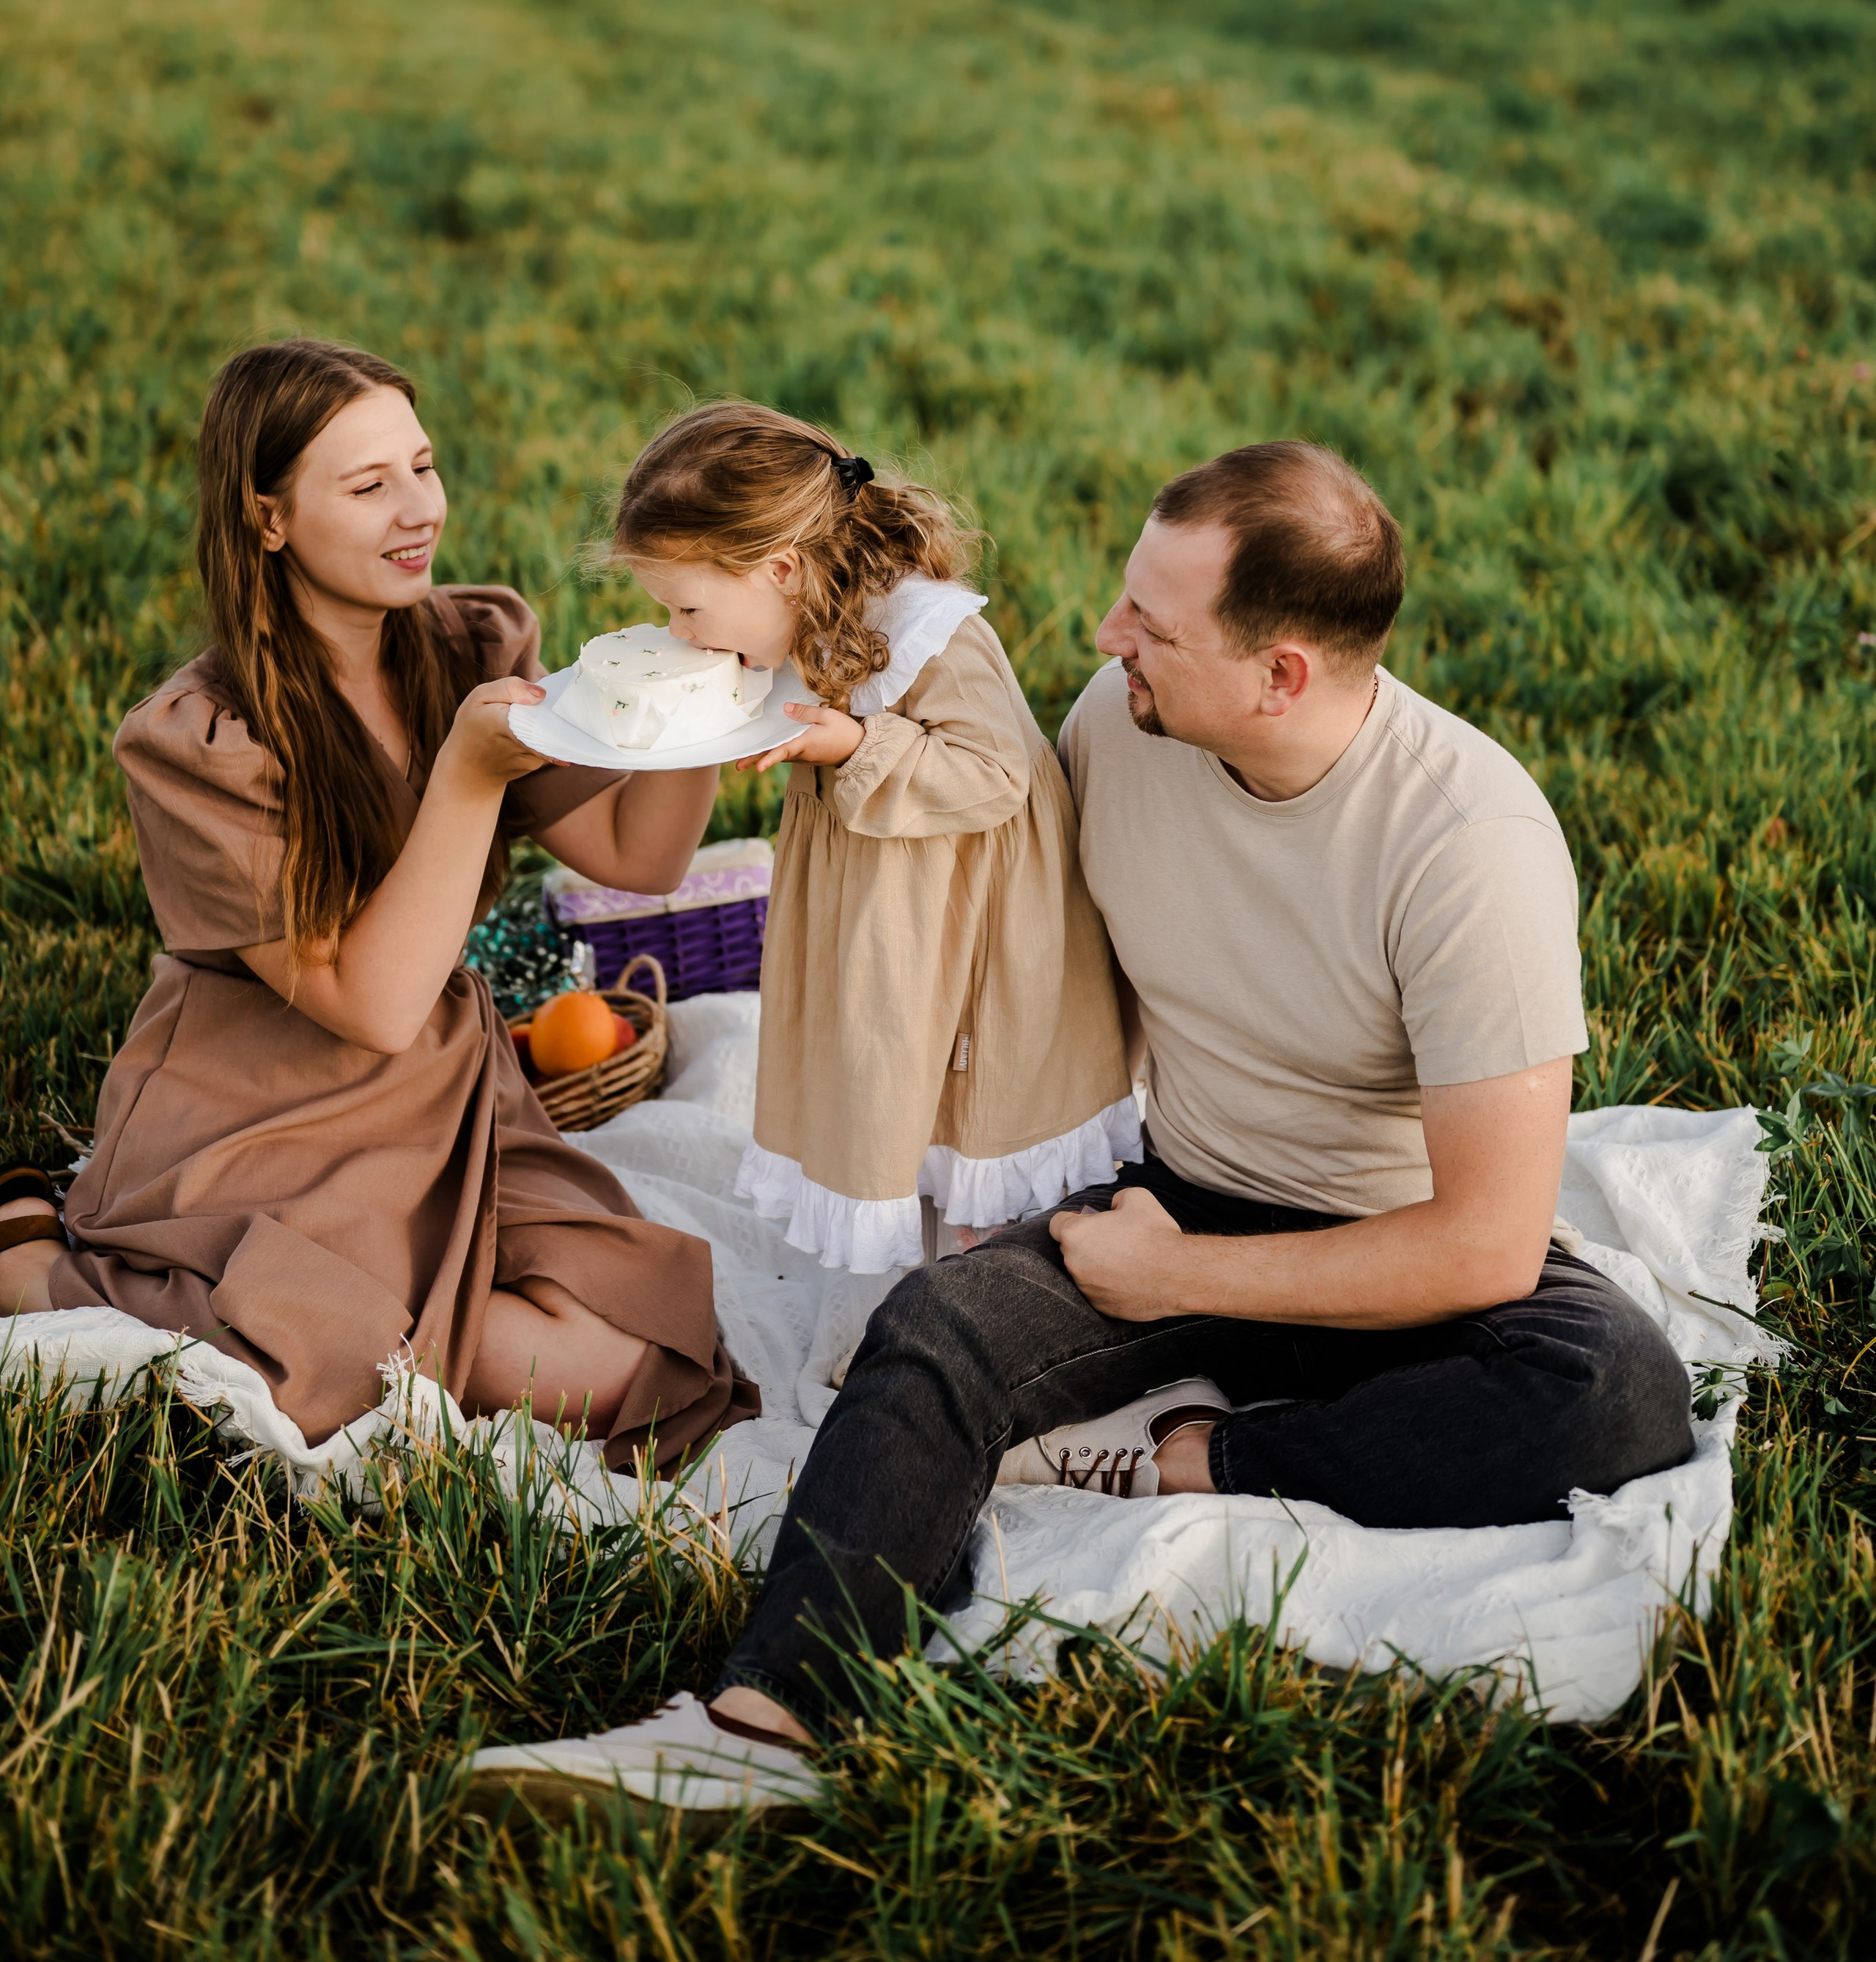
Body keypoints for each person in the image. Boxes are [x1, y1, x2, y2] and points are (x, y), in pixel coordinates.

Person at [470, 438, 1694, 1814]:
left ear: (1281, 671)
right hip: (1180, 1185)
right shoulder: (1122, 725)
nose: (1107, 638)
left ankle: (1211, 1453)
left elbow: (1482, 1245)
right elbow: (999, 932)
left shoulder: (1471, 842)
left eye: (1151, 626)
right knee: (934, 1327)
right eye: (1127, 600)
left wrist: (1176, 1281)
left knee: (1617, 1391)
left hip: (1383, 1244)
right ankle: (762, 1727)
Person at [0, 338, 757, 1469]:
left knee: (635, 1356)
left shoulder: (469, 643)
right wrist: (466, 774)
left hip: (445, 1089)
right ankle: (29, 1259)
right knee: (329, 1371)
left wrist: (712, 694)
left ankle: (400, 1311)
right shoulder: (202, 742)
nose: (418, 510)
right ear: (268, 519)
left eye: (424, 465)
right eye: (367, 487)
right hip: (265, 1103)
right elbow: (371, 1004)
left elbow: (635, 859)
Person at [608, 399, 1137, 1273]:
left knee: (949, 1082)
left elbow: (994, 775)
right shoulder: (802, 612)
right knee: (878, 1068)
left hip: (965, 922)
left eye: (689, 609)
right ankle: (913, 1255)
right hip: (882, 901)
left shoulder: (927, 633)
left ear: (779, 567)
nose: (679, 633)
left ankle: (987, 1266)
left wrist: (854, 744)